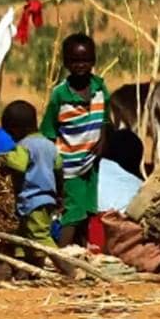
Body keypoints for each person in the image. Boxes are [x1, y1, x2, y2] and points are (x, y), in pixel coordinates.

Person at [42, 33, 110, 246]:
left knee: (88, 208)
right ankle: (61, 257)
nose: (81, 65)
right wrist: (54, 169)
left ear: (94, 61)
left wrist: (102, 141)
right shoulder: (59, 95)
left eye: (86, 60)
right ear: (66, 63)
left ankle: (80, 250)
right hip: (69, 165)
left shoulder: (100, 88)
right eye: (75, 61)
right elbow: (48, 132)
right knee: (73, 211)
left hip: (91, 162)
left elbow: (104, 120)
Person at [1, 101, 63, 269]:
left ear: (16, 129)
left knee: (40, 236)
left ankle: (66, 267)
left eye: (10, 133)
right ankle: (26, 269)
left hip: (32, 199)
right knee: (23, 238)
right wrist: (60, 195)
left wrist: (4, 162)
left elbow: (19, 166)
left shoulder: (23, 146)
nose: (11, 138)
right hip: (47, 198)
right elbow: (59, 169)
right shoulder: (50, 145)